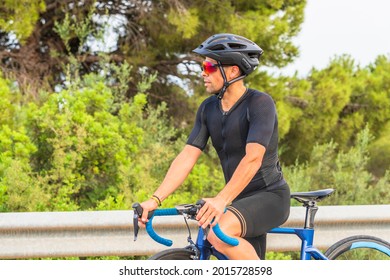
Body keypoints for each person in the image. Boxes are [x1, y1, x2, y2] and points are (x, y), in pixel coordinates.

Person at [138, 33, 290, 260]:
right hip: (238, 200)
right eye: (203, 66)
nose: (203, 73)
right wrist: (155, 199)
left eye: (209, 66)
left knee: (218, 235)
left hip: (269, 196)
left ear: (233, 71)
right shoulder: (208, 109)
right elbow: (187, 156)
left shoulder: (260, 103)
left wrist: (221, 200)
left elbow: (253, 158)